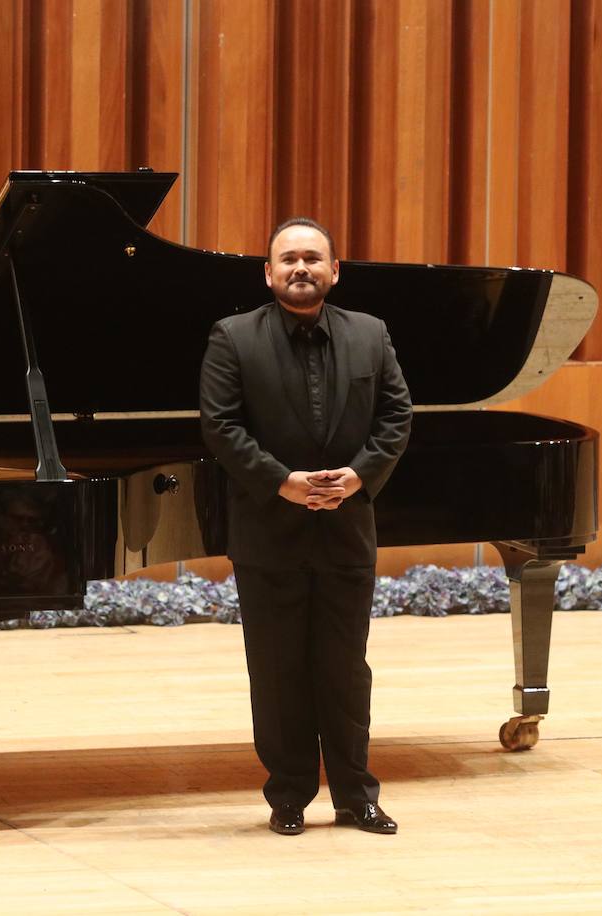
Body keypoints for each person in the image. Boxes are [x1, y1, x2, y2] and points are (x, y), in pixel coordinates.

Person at [199, 218, 412, 835]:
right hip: (269, 531)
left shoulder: (371, 335)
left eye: (313, 259)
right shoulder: (233, 337)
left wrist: (358, 476)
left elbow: (397, 416)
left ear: (334, 270)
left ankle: (355, 795)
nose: (301, 268)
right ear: (268, 273)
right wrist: (282, 482)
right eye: (288, 259)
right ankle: (288, 795)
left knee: (346, 670)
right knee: (277, 669)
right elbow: (220, 425)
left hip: (347, 528)